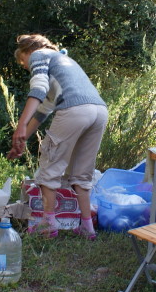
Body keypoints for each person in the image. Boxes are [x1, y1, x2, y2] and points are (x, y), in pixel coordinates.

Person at [8, 34, 108, 240]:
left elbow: (38, 88)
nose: (25, 66)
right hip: (98, 111)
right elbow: (43, 110)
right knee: (82, 173)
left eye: (23, 62)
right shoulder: (64, 61)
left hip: (74, 110)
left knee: (49, 166)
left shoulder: (39, 55)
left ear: (28, 51)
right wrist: (23, 138)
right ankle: (87, 228)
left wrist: (19, 126)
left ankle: (48, 224)